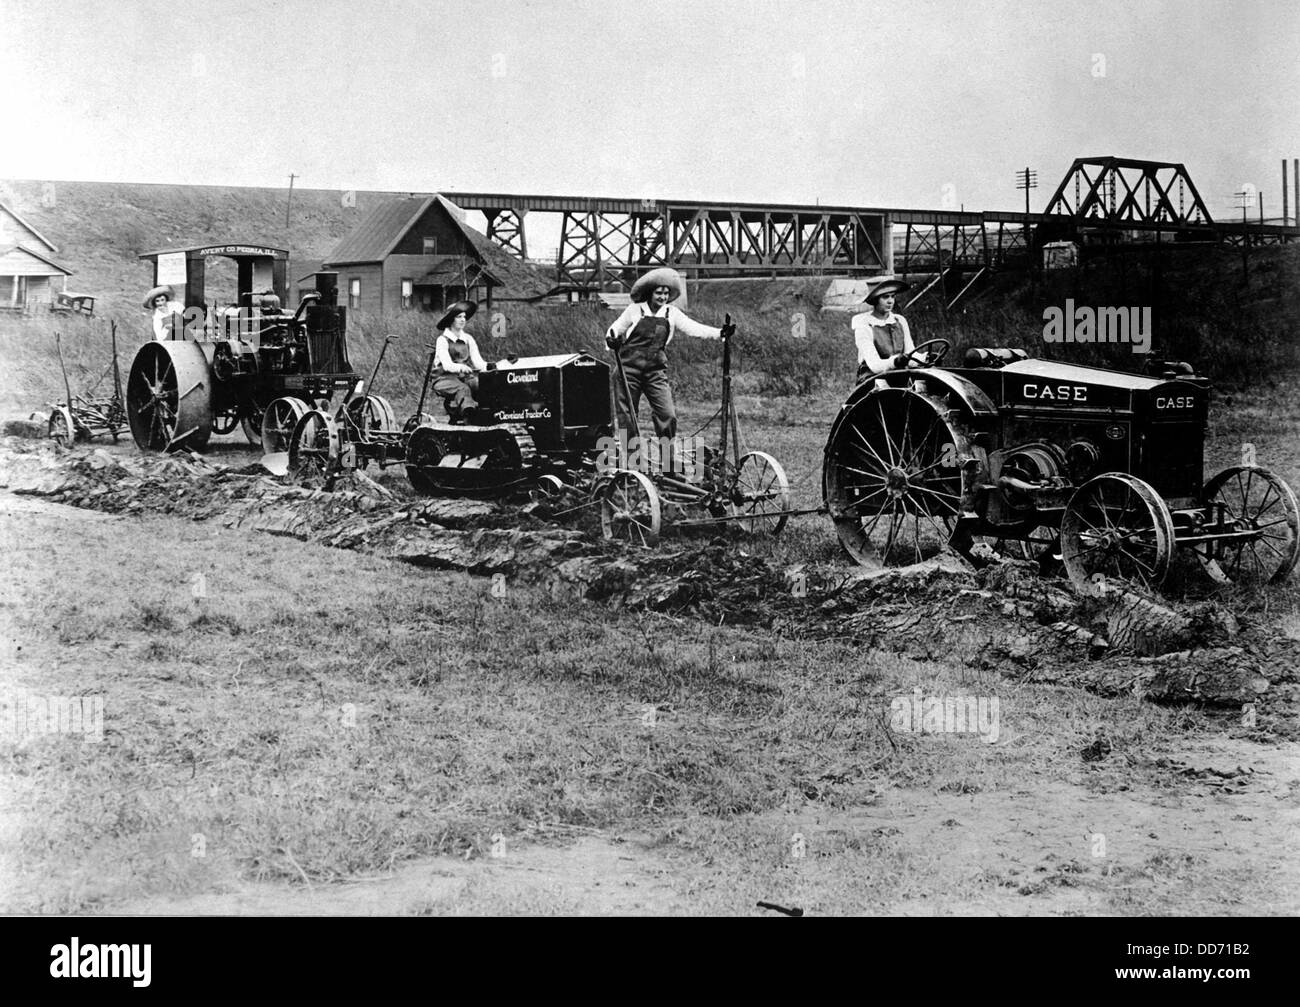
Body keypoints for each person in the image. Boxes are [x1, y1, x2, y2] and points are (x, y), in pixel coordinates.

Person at [605, 267, 735, 440]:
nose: (663, 297)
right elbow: (614, 329)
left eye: (666, 294)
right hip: (627, 371)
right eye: (659, 293)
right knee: (627, 417)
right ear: (650, 293)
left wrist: (720, 333)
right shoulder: (634, 309)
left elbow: (693, 328)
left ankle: (668, 462)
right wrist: (611, 340)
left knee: (667, 415)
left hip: (655, 372)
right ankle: (632, 462)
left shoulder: (671, 313)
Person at [851, 276, 929, 380]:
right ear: (875, 300)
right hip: (873, 378)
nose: (890, 301)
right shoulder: (864, 325)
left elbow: (910, 353)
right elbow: (874, 365)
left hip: (899, 375)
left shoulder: (899, 321)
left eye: (893, 296)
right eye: (885, 297)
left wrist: (925, 358)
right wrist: (896, 361)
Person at [431, 300, 488, 418]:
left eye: (464, 317)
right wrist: (461, 367)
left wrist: (492, 367)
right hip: (443, 379)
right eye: (459, 317)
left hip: (463, 378)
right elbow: (447, 365)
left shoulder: (468, 339)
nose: (463, 320)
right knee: (463, 388)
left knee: (481, 385)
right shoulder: (442, 340)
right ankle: (468, 416)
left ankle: (486, 415)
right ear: (451, 319)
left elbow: (478, 362)